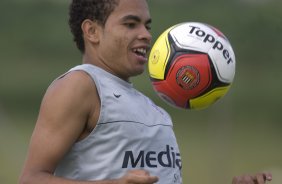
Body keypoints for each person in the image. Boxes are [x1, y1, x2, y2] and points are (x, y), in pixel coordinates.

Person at [19, 0, 272, 184]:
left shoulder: (155, 109)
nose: (145, 35)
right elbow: (31, 179)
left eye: (147, 26)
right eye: (130, 24)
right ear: (92, 31)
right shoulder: (81, 85)